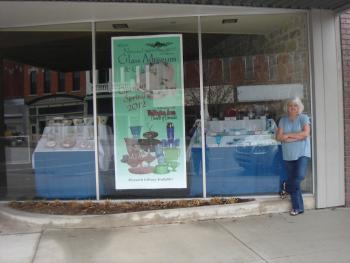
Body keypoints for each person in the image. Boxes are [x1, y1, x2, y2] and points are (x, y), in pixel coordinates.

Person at [276, 97, 311, 216]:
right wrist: (296, 137)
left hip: (302, 153)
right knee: (295, 181)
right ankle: (298, 208)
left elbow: (305, 134)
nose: (293, 107)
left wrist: (288, 136)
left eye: (295, 106)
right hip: (288, 154)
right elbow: (279, 137)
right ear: (287, 107)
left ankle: (285, 186)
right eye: (290, 105)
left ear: (299, 107)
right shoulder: (283, 120)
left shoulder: (303, 118)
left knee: (299, 176)